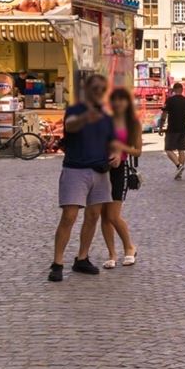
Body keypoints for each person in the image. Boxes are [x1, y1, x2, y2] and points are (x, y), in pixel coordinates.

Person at [50, 73, 115, 282]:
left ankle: (82, 258)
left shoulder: (107, 115)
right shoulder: (76, 109)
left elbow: (112, 140)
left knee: (93, 215)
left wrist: (116, 154)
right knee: (69, 216)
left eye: (101, 89)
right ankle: (57, 262)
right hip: (75, 169)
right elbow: (70, 126)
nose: (99, 93)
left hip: (100, 170)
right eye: (95, 89)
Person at [101, 86, 142, 268]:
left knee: (113, 215)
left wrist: (121, 149)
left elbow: (137, 151)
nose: (118, 103)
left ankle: (129, 247)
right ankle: (111, 254)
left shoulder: (133, 123)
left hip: (120, 170)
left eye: (121, 99)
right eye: (114, 99)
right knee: (103, 215)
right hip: (102, 168)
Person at [161, 82, 185, 179]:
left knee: (168, 149)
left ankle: (179, 166)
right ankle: (179, 174)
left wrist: (161, 126)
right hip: (184, 128)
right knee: (181, 150)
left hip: (172, 128)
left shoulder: (170, 100)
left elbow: (164, 114)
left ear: (174, 90)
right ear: (182, 90)